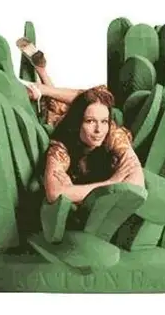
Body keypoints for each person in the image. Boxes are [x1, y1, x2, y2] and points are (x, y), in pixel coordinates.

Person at [17, 39, 145, 205]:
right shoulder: (61, 146)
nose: (99, 130)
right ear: (78, 123)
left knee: (94, 97)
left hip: (77, 113)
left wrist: (74, 190)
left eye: (104, 121)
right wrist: (112, 182)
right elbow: (55, 194)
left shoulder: (113, 133)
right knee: (58, 108)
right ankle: (43, 80)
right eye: (90, 122)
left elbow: (137, 184)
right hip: (62, 120)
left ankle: (43, 82)